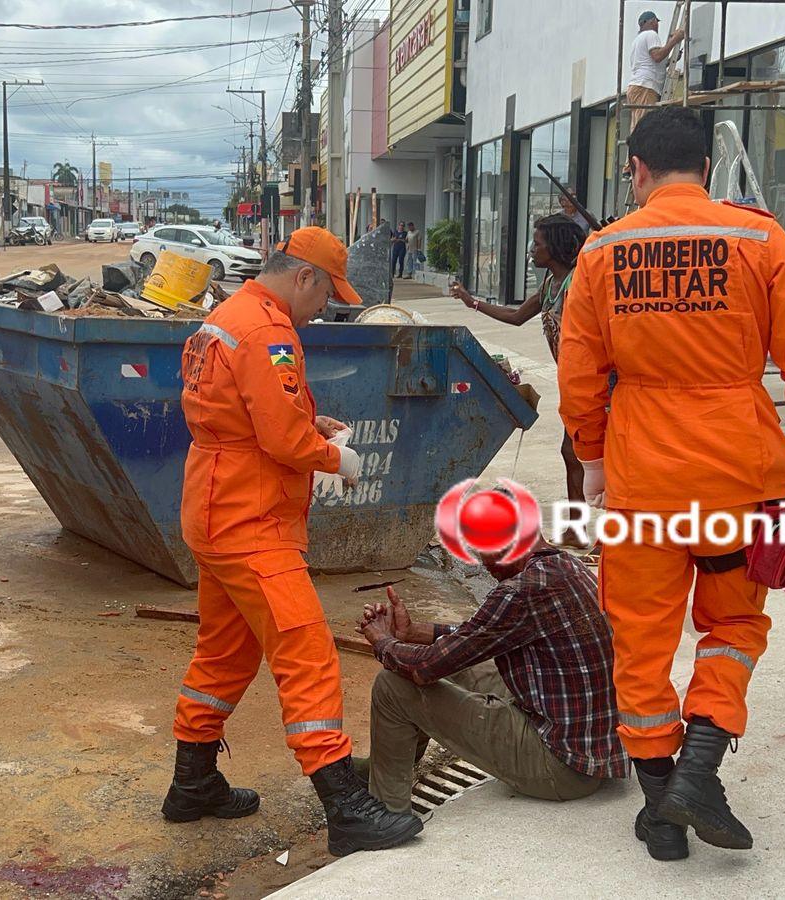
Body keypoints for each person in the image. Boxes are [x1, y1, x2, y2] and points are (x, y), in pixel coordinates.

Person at [557, 106, 785, 859]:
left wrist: (590, 460)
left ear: (638, 172)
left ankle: (661, 810)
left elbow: (580, 373)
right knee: (735, 628)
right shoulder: (758, 238)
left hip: (643, 475)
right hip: (737, 474)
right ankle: (697, 777)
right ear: (706, 172)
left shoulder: (602, 251)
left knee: (640, 644)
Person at [163, 226, 424, 858]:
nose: (325, 308)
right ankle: (345, 806)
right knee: (307, 654)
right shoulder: (269, 331)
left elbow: (242, 411)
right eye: (326, 293)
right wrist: (337, 457)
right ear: (303, 276)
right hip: (252, 522)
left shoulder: (226, 316)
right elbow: (281, 441)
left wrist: (310, 420)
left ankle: (191, 783)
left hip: (212, 508)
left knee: (224, 656)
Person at [355, 527, 629, 814]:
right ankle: (381, 766)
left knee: (393, 685)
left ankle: (386, 815)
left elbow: (426, 667)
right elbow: (482, 634)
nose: (486, 568)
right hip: (593, 752)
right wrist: (414, 632)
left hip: (561, 767)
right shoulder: (568, 565)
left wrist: (383, 642)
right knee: (455, 661)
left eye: (483, 554)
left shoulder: (521, 591)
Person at [451, 215, 588, 513]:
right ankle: (577, 529)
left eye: (537, 243)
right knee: (571, 453)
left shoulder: (577, 282)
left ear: (553, 246)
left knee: (591, 457)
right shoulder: (552, 282)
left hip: (592, 383)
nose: (531, 250)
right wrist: (471, 302)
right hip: (574, 382)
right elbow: (516, 317)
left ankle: (603, 536)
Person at [627, 11, 686, 128]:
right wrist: (675, 40)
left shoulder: (638, 40)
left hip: (638, 86)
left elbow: (652, 63)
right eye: (656, 22)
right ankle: (640, 146)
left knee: (639, 124)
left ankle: (637, 146)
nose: (657, 25)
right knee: (645, 127)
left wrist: (670, 60)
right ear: (653, 21)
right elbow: (657, 56)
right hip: (645, 86)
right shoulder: (651, 35)